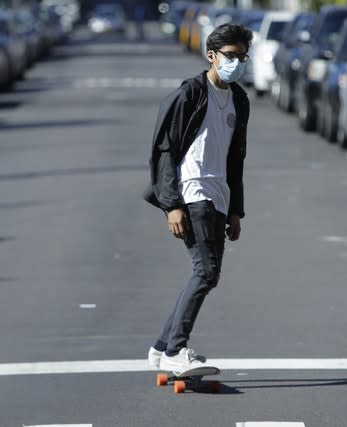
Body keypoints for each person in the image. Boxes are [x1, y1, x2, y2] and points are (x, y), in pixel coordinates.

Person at [144, 23, 253, 372]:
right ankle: (177, 349)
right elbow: (163, 149)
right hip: (192, 192)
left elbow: (236, 157)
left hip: (218, 195)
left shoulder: (239, 98)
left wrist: (235, 209)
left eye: (243, 57)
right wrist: (171, 204)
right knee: (205, 271)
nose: (237, 62)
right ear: (211, 56)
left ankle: (162, 348)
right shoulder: (189, 94)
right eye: (231, 56)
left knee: (206, 273)